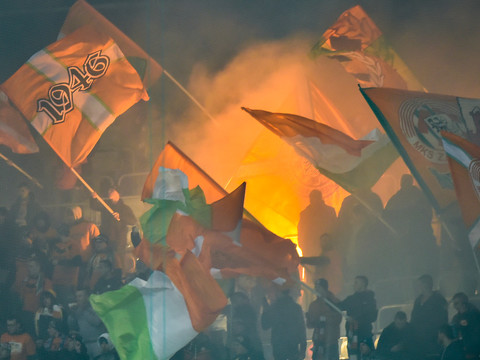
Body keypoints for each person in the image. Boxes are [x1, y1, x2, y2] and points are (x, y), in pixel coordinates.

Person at [384, 174, 437, 277]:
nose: (405, 184)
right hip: (403, 242)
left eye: (407, 181)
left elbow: (425, 215)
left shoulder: (420, 198)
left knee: (422, 269)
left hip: (421, 240)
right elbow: (388, 216)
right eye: (404, 182)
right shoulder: (396, 199)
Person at [261, 288, 306, 360]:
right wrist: (303, 348)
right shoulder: (296, 308)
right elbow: (302, 328)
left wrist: (265, 308)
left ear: (279, 293)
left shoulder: (274, 308)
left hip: (278, 345)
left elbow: (265, 325)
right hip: (293, 345)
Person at [410, 274, 448, 359]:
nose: (418, 287)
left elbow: (443, 319)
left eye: (420, 284)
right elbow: (413, 318)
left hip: (433, 338)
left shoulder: (439, 299)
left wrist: (441, 335)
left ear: (427, 284)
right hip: (419, 339)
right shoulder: (418, 300)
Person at [90, 187, 137, 253]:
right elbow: (94, 206)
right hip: (105, 239)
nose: (109, 192)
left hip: (119, 241)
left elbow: (133, 221)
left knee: (118, 260)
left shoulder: (125, 208)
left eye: (112, 190)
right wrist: (93, 198)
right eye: (109, 190)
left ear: (118, 193)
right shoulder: (105, 205)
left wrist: (120, 216)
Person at [339, 276, 377, 356]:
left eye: (356, 282)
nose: (354, 285)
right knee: (353, 356)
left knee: (367, 356)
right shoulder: (351, 299)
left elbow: (372, 316)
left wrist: (356, 320)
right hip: (352, 335)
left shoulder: (370, 299)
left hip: (365, 334)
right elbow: (339, 306)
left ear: (363, 284)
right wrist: (327, 298)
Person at [306, 278, 342, 360]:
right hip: (318, 341)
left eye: (318, 287)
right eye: (316, 287)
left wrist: (325, 319)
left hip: (330, 342)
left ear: (324, 288)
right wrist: (310, 320)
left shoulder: (333, 303)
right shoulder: (314, 305)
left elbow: (338, 319)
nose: (316, 290)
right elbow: (309, 324)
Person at [67, 287, 106, 358]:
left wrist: (83, 310)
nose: (77, 299)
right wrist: (71, 315)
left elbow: (96, 322)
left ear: (87, 297)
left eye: (80, 296)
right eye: (76, 296)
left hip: (97, 343)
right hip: (86, 345)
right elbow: (72, 327)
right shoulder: (78, 310)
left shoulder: (95, 307)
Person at [297, 190, 337, 259]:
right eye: (313, 198)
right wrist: (303, 246)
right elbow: (301, 231)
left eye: (316, 198)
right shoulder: (305, 214)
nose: (314, 200)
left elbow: (335, 229)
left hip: (324, 249)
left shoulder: (329, 212)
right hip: (311, 249)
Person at [450, 292, 480, 359]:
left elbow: (476, 334)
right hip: (461, 350)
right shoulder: (456, 318)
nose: (454, 306)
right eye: (454, 304)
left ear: (464, 304)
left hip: (473, 351)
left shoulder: (475, 315)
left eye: (456, 303)